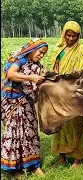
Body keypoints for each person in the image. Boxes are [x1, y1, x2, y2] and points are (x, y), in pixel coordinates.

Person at [1, 38, 48, 179]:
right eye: (40, 52)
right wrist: (32, 78)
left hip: (27, 103)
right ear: (33, 49)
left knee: (30, 132)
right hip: (13, 102)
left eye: (44, 54)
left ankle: (33, 165)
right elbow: (11, 74)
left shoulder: (36, 65)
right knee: (15, 133)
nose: (41, 55)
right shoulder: (20, 60)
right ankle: (15, 169)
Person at [51, 21, 83, 169]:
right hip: (59, 91)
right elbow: (54, 68)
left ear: (78, 36)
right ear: (64, 34)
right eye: (68, 35)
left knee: (75, 123)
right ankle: (61, 156)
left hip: (74, 91)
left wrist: (75, 74)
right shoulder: (58, 49)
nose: (71, 38)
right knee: (60, 123)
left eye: (74, 36)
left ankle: (77, 158)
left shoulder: (82, 49)